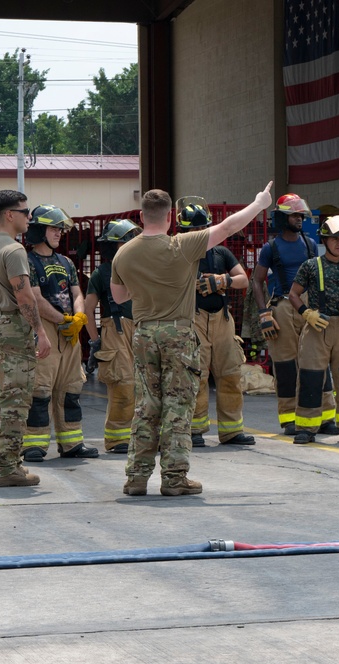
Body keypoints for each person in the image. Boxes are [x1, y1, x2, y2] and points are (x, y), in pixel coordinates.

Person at [111, 183, 273, 497]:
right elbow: (228, 226)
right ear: (170, 216)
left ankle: (136, 478)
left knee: (146, 405)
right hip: (178, 332)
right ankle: (173, 478)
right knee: (177, 406)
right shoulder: (182, 245)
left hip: (143, 333)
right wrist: (259, 203)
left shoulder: (124, 253)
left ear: (142, 216)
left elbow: (120, 297)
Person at [0, 190, 50, 487]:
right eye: (25, 211)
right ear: (9, 214)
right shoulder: (14, 250)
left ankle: (10, 462)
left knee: (8, 396)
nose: (29, 217)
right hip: (12, 327)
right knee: (16, 401)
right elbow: (24, 295)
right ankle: (5, 468)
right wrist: (41, 332)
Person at [251, 193, 339, 436]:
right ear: (282, 218)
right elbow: (257, 281)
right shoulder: (271, 248)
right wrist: (264, 314)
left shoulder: (310, 244)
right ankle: (289, 418)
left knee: (319, 361)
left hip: (310, 308)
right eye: (294, 215)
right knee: (286, 366)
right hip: (282, 308)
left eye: (301, 214)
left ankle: (325, 417)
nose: (299, 219)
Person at [176, 196, 256, 448]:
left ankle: (232, 431)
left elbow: (244, 279)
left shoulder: (221, 252)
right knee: (195, 376)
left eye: (203, 229)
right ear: (183, 232)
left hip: (222, 320)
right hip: (193, 320)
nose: (199, 234)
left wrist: (222, 281)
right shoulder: (178, 254)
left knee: (230, 374)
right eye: (194, 230)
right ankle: (195, 431)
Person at [21, 205, 99, 462]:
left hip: (70, 331)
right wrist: (63, 320)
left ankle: (71, 443)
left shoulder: (65, 262)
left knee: (71, 388)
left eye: (61, 229)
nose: (60, 234)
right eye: (55, 228)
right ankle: (34, 444)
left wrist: (78, 318)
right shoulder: (27, 261)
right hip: (46, 329)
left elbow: (76, 292)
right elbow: (34, 298)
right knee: (40, 388)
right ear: (39, 230)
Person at [287, 215, 339, 445]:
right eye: (334, 238)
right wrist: (306, 313)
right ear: (325, 240)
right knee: (311, 378)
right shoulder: (310, 266)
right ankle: (306, 428)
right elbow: (293, 294)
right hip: (316, 327)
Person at [84, 218, 140, 454]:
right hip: (115, 331)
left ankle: (143, 437)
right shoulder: (102, 273)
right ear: (118, 244)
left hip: (141, 328)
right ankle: (118, 440)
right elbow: (88, 309)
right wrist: (96, 340)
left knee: (145, 387)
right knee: (122, 386)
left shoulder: (140, 268)